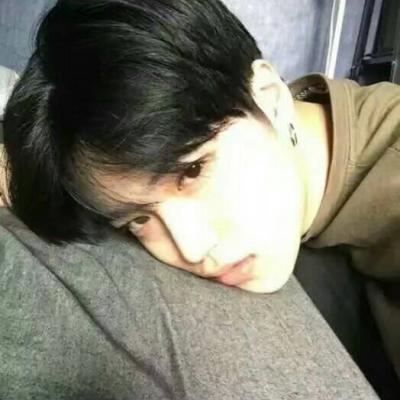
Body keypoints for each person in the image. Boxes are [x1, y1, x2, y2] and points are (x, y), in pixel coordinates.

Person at [1, 0, 399, 395]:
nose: (191, 247)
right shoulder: (264, 127)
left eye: (193, 170)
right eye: (138, 220)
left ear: (270, 96)